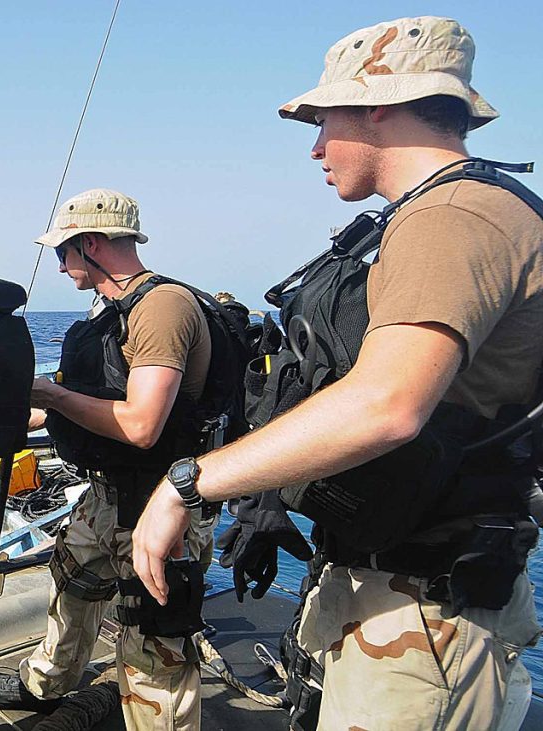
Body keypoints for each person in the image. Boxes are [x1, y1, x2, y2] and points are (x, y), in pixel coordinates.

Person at [132, 16, 542, 731]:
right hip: (400, 591)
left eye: (324, 120)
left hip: (424, 618)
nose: (317, 146)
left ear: (379, 103)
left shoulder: (453, 216)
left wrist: (187, 483)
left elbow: (386, 403)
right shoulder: (447, 212)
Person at [0, 189, 224, 730]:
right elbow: (87, 402)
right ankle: (46, 683)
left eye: (63, 252)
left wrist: (51, 396)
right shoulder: (109, 313)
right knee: (73, 581)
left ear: (91, 244)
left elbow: (140, 424)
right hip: (106, 494)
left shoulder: (161, 307)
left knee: (154, 640)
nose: (60, 266)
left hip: (163, 503)